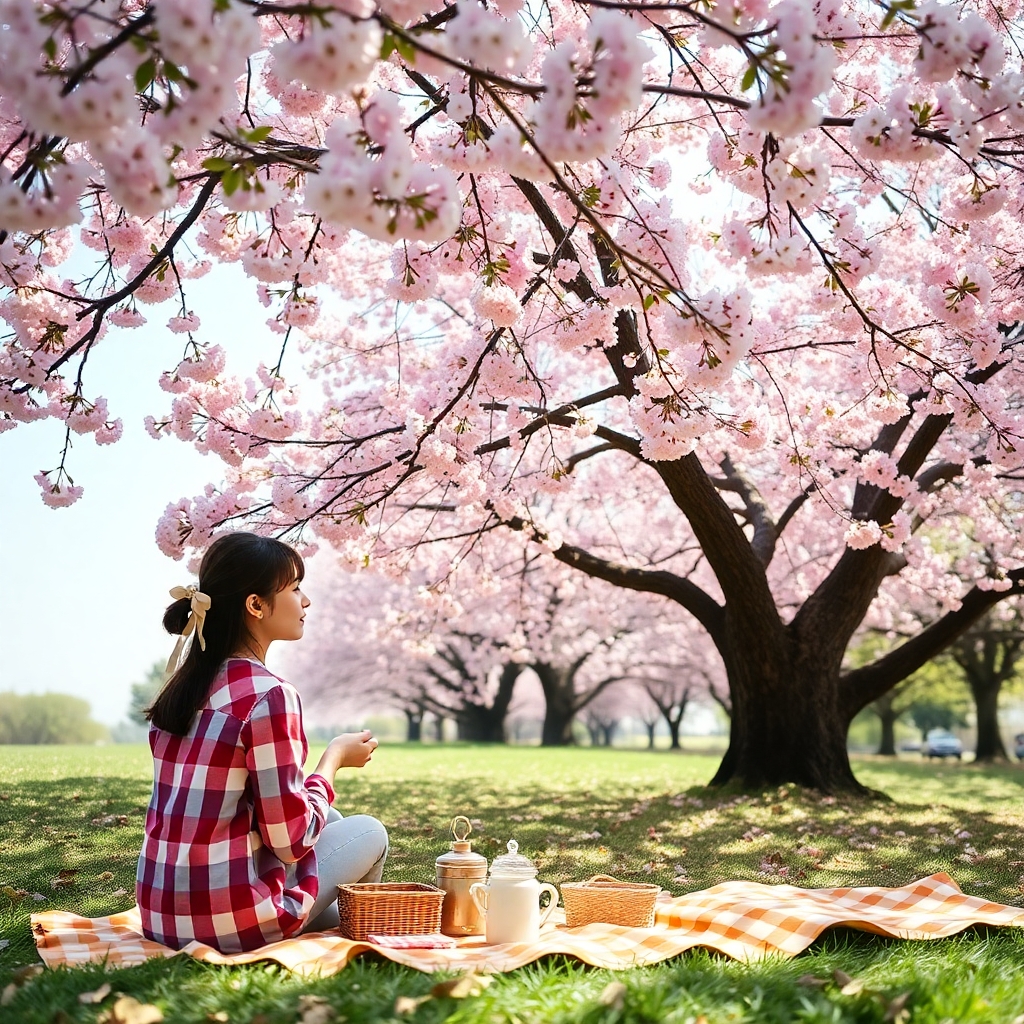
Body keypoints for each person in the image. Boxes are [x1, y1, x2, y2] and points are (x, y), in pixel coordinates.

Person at [136, 532, 388, 953]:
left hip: (163, 915)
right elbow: (290, 840)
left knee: (333, 817)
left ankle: (321, 926)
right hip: (226, 922)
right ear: (256, 605)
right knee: (368, 831)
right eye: (294, 589)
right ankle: (347, 935)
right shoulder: (268, 695)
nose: (305, 602)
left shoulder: (184, 688)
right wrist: (333, 761)